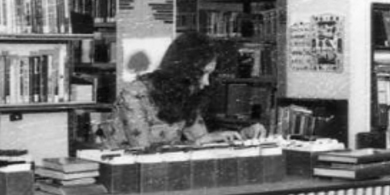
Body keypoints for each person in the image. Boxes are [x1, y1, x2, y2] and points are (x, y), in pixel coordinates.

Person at [101, 31, 267, 151]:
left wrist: (243, 135)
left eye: (210, 75)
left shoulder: (186, 93)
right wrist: (198, 142)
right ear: (183, 71)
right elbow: (142, 151)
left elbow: (201, 139)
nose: (206, 82)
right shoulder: (134, 95)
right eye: (202, 74)